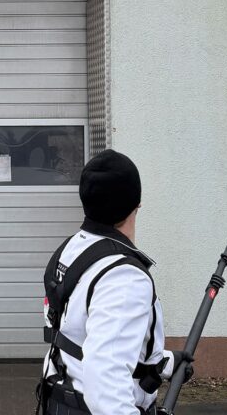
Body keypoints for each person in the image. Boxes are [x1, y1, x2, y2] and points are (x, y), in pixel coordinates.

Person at [38, 149, 193, 415]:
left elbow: (81, 336)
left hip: (60, 401)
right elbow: (105, 386)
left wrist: (163, 363)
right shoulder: (125, 278)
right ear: (137, 204)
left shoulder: (72, 250)